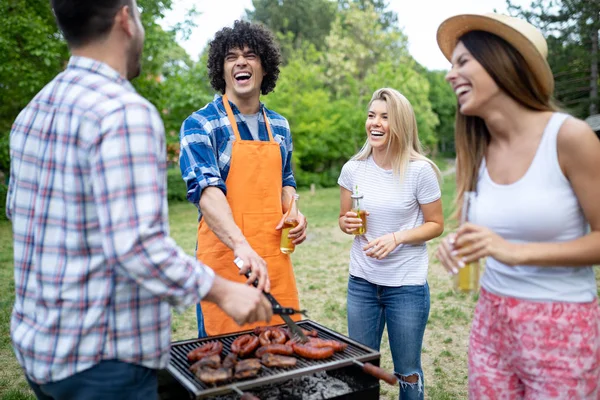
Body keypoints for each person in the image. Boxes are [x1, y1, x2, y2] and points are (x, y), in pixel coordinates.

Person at [6, 1, 273, 399]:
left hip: (41, 353)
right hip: (103, 360)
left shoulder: (33, 112)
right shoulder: (125, 112)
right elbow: (137, 246)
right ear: (125, 18)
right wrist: (223, 291)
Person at [435, 12, 600, 399]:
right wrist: (459, 244)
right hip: (492, 322)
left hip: (562, 326)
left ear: (502, 62)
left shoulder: (570, 138)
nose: (449, 75)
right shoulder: (476, 149)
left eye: (462, 62)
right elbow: (485, 235)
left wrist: (512, 252)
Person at [179, 20, 307, 337]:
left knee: (282, 358)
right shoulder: (200, 125)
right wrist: (241, 246)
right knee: (226, 365)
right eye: (231, 56)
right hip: (226, 264)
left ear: (264, 68)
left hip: (274, 264)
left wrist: (294, 209)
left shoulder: (280, 126)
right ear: (221, 70)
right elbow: (207, 192)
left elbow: (285, 179)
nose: (241, 62)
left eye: (251, 55)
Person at [338, 88, 444, 400]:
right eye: (372, 115)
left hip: (406, 287)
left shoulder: (420, 171)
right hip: (362, 283)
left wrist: (397, 238)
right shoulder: (353, 168)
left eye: (385, 117)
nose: (376, 122)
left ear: (401, 124)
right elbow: (345, 220)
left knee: (407, 372)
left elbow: (436, 224)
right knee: (361, 367)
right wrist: (346, 224)